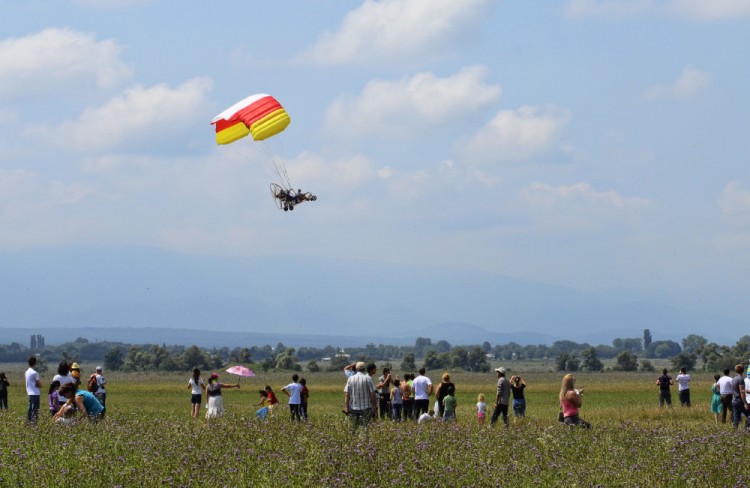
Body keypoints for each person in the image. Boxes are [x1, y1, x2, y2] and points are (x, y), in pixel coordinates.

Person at [343, 361, 377, 432]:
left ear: (356, 368)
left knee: (352, 429)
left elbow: (347, 394)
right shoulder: (368, 379)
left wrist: (346, 407)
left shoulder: (350, 379)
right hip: (366, 408)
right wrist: (374, 405)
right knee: (364, 429)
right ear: (364, 369)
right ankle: (363, 442)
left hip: (353, 408)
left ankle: (353, 441)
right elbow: (373, 394)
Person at [730, 364, 749, 429]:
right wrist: (745, 403)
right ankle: (745, 428)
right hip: (739, 400)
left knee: (736, 417)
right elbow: (742, 392)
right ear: (743, 370)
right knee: (749, 415)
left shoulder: (733, 379)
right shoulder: (740, 379)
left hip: (734, 400)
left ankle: (734, 430)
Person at [25, 356, 42, 423]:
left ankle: (28, 422)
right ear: (35, 363)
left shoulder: (27, 372)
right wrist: (39, 384)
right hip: (35, 393)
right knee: (35, 409)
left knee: (30, 408)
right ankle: (34, 423)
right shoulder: (35, 373)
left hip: (29, 392)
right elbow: (40, 384)